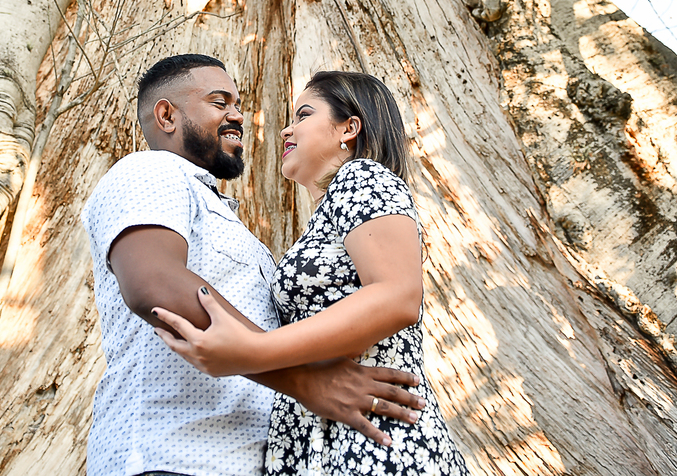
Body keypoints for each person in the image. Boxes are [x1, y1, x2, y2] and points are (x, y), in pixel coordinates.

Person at [82, 55, 426, 476]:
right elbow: (155, 284)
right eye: (219, 102)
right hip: (174, 456)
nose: (238, 115)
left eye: (238, 104)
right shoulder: (149, 171)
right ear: (167, 114)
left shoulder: (236, 222)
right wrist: (303, 383)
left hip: (263, 458)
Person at [154, 70, 470, 475]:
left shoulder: (363, 178)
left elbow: (399, 295)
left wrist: (253, 352)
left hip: (375, 442)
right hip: (324, 443)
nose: (287, 129)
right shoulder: (326, 216)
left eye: (303, 114)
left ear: (349, 128)